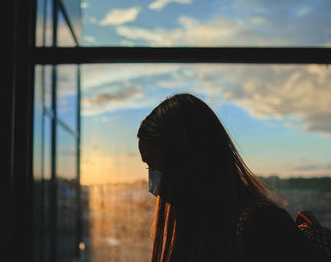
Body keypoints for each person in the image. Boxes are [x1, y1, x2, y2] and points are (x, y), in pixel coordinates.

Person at [137, 93, 319, 262]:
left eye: (154, 166)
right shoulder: (197, 225)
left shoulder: (265, 228)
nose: (152, 184)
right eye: (148, 167)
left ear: (188, 161)